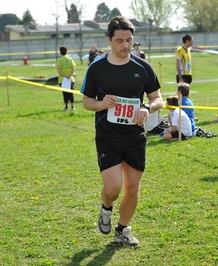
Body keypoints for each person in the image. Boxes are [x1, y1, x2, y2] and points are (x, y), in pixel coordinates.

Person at [80, 16, 163, 247]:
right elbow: (87, 102)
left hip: (135, 137)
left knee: (132, 188)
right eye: (119, 41)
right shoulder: (96, 68)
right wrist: (101, 103)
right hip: (107, 136)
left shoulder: (143, 68)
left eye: (128, 40)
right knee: (113, 188)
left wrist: (146, 107)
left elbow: (158, 99)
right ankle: (106, 208)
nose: (125, 45)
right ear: (109, 40)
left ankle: (123, 229)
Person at [57, 46, 76, 112]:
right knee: (71, 93)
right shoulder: (70, 59)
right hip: (70, 79)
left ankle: (66, 107)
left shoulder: (59, 60)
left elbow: (59, 71)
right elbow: (73, 68)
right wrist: (69, 76)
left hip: (62, 80)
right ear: (66, 51)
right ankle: (72, 107)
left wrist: (65, 76)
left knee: (65, 94)